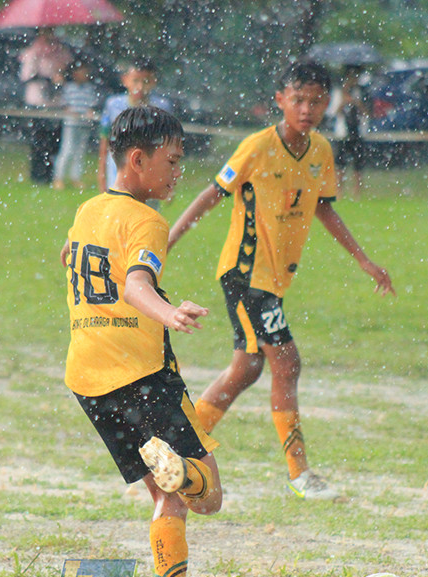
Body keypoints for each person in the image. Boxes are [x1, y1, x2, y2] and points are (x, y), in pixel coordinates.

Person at [168, 60, 394, 500]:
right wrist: (167, 242)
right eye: (297, 100)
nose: (306, 109)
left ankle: (178, 451)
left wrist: (364, 260)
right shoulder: (257, 147)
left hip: (272, 280)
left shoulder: (321, 152)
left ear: (327, 104)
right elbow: (211, 195)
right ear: (280, 101)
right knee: (287, 364)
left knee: (246, 368)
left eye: (315, 101)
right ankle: (299, 474)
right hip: (245, 274)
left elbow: (323, 207)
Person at [61, 106, 222, 577]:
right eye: (172, 162)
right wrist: (168, 312)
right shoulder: (148, 220)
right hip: (142, 375)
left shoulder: (88, 209)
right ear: (136, 159)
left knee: (162, 498)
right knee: (207, 495)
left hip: (89, 378)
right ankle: (183, 470)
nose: (178, 173)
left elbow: (70, 254)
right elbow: (134, 286)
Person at [97, 58, 172, 195]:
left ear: (154, 82)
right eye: (136, 80)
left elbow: (168, 145)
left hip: (149, 168)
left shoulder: (161, 108)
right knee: (120, 205)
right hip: (118, 168)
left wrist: (168, 177)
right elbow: (105, 140)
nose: (140, 87)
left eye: (146, 81)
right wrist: (101, 174)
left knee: (146, 210)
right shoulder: (113, 105)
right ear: (125, 80)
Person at [18, 28, 71, 184]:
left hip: (55, 104)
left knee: (54, 141)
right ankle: (38, 174)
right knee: (38, 142)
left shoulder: (60, 52)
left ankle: (50, 174)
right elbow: (26, 76)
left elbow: (66, 70)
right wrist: (44, 78)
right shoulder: (32, 53)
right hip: (38, 102)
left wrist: (59, 77)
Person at [52, 59, 99, 191]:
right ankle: (58, 178)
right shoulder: (69, 88)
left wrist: (89, 113)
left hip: (84, 124)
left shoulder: (89, 89)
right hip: (71, 124)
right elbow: (64, 104)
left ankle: (75, 178)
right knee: (67, 150)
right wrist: (72, 112)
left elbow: (91, 105)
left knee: (80, 152)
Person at [328, 65, 369, 198]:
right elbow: (333, 113)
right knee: (340, 164)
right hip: (342, 133)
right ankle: (339, 192)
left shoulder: (362, 92)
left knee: (358, 164)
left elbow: (367, 113)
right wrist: (343, 101)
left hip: (358, 132)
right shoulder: (338, 92)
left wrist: (357, 103)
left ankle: (356, 192)